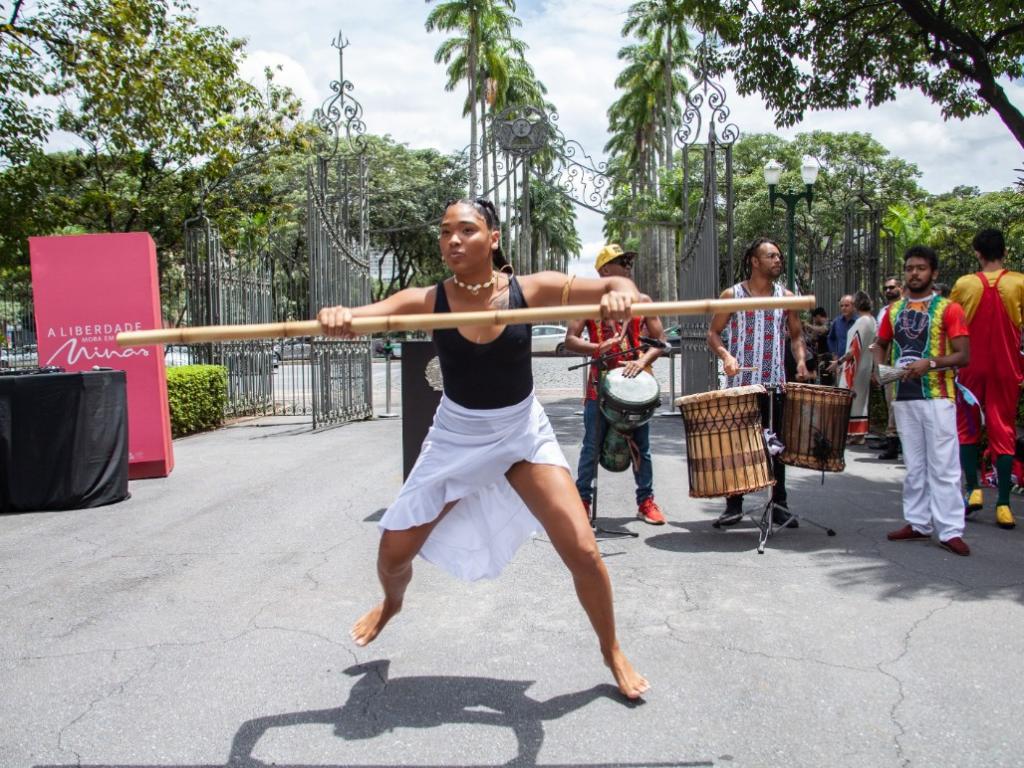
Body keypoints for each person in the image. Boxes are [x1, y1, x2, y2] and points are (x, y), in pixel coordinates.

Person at [318, 198, 649, 699]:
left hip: (520, 433)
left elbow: (615, 284)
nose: (453, 239)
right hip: (457, 435)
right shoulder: (428, 299)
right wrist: (342, 316)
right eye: (446, 231)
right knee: (392, 554)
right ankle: (392, 604)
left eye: (467, 230)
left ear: (493, 238)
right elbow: (371, 314)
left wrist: (622, 294)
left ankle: (612, 650)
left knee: (582, 550)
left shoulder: (531, 289)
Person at [873, 245, 971, 556]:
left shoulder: (949, 309)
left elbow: (963, 355)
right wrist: (879, 368)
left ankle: (950, 529)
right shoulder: (894, 311)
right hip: (903, 397)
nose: (914, 273)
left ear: (933, 273)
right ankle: (917, 523)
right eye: (910, 268)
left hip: (938, 395)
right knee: (914, 465)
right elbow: (880, 343)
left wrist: (929, 363)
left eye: (921, 268)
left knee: (943, 465)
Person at [706, 237, 810, 527]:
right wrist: (726, 355)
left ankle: (779, 505)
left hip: (774, 383)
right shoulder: (732, 295)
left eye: (779, 256)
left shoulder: (786, 296)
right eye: (771, 256)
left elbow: (797, 335)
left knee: (775, 446)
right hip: (741, 384)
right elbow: (713, 333)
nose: (778, 260)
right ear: (754, 261)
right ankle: (734, 506)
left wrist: (801, 360)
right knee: (737, 445)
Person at [564, 244, 667, 525]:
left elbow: (661, 342)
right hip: (600, 387)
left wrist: (641, 360)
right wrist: (599, 346)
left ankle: (645, 502)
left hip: (635, 388)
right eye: (622, 262)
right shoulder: (587, 302)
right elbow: (570, 340)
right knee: (591, 446)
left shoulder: (642, 300)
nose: (628, 267)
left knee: (641, 447)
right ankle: (582, 501)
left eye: (628, 261)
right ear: (606, 270)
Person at [950, 228, 1024, 530]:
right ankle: (1004, 505)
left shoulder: (964, 284)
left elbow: (950, 325)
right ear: (1004, 252)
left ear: (977, 253)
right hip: (1007, 368)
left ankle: (973, 490)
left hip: (970, 368)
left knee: (967, 427)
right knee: (1003, 430)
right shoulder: (1019, 282)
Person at [836, 290, 877, 444]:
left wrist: (839, 362)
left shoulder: (861, 322)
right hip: (866, 365)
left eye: (852, 304)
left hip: (854, 367)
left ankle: (853, 433)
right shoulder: (872, 321)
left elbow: (854, 348)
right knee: (861, 399)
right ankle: (858, 433)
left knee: (850, 398)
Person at [874, 277, 904, 460]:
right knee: (890, 403)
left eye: (892, 287)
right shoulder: (885, 311)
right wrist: (879, 367)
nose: (888, 290)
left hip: (903, 364)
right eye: (885, 288)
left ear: (900, 288)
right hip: (888, 364)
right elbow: (881, 341)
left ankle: (896, 442)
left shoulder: (905, 308)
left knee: (896, 404)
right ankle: (891, 441)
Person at [826, 294, 855, 374]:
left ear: (853, 306)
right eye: (841, 306)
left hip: (855, 362)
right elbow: (830, 338)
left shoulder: (859, 321)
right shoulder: (837, 322)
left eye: (846, 305)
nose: (843, 308)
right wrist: (834, 354)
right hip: (840, 362)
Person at [803, 307, 831, 384]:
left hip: (829, 356)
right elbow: (812, 339)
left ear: (818, 316)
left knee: (827, 379)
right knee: (822, 379)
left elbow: (824, 329)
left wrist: (810, 326)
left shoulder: (829, 323)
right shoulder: (817, 326)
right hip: (820, 357)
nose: (814, 321)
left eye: (814, 318)